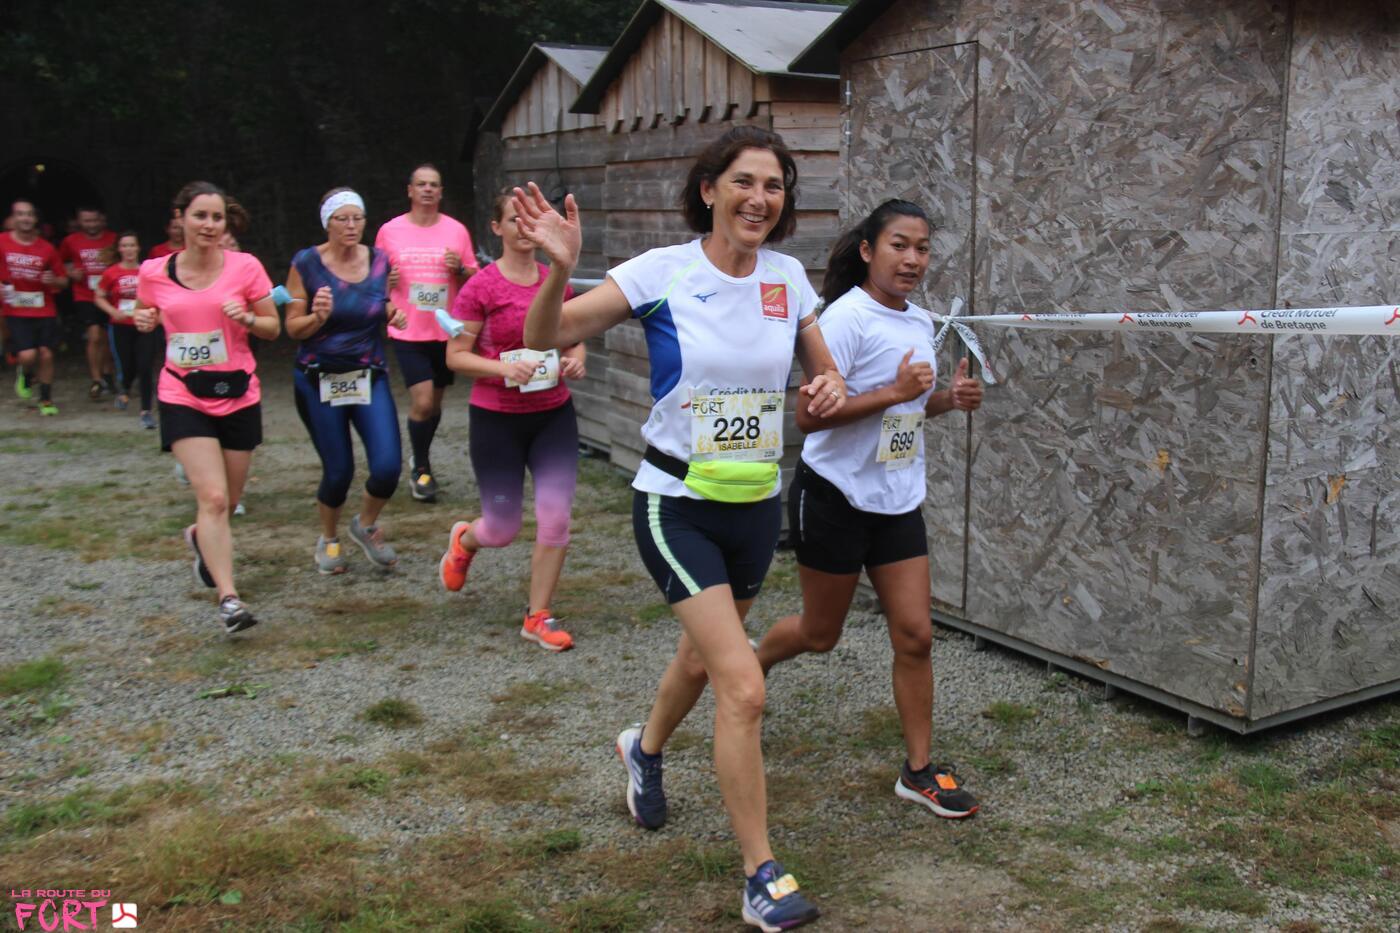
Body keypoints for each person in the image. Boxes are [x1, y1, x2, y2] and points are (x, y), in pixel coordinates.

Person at [516, 125, 849, 932]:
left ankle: (644, 747)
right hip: (675, 503)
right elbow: (544, 338)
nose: (759, 199)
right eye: (743, 182)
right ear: (709, 189)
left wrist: (831, 387)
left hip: (755, 506)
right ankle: (761, 874)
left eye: (773, 186)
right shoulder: (661, 271)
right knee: (744, 684)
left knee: (701, 660)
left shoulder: (787, 278)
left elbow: (824, 371)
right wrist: (558, 269)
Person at [754, 199, 985, 822]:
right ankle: (749, 668)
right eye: (898, 246)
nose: (912, 260)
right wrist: (893, 392)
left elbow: (908, 407)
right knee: (819, 634)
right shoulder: (844, 319)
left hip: (897, 498)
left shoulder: (920, 321)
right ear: (867, 251)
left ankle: (918, 771)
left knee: (915, 634)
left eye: (922, 248)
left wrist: (947, 400)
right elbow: (808, 416)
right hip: (834, 495)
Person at [438, 191, 586, 651]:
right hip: (496, 420)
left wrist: (576, 359)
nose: (523, 229)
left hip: (552, 417)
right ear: (496, 228)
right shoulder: (480, 287)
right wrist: (503, 368)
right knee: (501, 528)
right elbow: (456, 356)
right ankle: (467, 540)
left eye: (529, 221)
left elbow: (574, 337)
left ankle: (538, 615)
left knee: (555, 516)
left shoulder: (555, 280)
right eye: (512, 220)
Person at [132, 181, 280, 634]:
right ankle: (229, 600)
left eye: (217, 217)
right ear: (180, 219)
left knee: (229, 501)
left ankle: (200, 537)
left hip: (237, 393)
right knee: (213, 499)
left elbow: (273, 327)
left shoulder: (246, 267)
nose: (209, 225)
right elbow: (144, 312)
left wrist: (248, 319)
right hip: (183, 394)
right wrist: (143, 319)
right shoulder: (153, 271)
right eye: (200, 215)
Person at [285, 188, 406, 574]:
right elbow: (293, 328)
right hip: (318, 377)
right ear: (328, 223)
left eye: (358, 218)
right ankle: (329, 538)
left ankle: (365, 525)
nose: (352, 226)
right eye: (343, 219)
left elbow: (374, 303)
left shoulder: (379, 260)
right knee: (339, 471)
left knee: (387, 466)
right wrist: (317, 318)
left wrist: (392, 313)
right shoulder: (306, 263)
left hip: (367, 375)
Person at [374, 163, 479, 502]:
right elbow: (372, 276)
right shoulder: (390, 231)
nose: (428, 190)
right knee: (421, 402)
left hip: (445, 330)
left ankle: (420, 456)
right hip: (407, 328)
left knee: (434, 405)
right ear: (410, 190)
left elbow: (474, 277)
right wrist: (384, 283)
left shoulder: (456, 231)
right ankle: (421, 468)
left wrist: (459, 268)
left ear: (441, 192)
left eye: (434, 184)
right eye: (421, 184)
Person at [0, 200, 68, 414]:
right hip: (15, 308)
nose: (25, 218)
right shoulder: (2, 242)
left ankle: (46, 400)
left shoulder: (47, 248)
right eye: (21, 214)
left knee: (46, 353)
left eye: (29, 214)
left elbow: (63, 280)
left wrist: (53, 280)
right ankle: (26, 373)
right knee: (28, 355)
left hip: (43, 308)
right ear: (13, 218)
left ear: (35, 219)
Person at [95, 231, 158, 428]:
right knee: (127, 365)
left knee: (145, 366)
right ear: (119, 249)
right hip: (121, 327)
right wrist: (113, 311)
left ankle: (146, 411)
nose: (129, 249)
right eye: (125, 246)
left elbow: (159, 295)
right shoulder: (111, 272)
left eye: (132, 245)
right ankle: (125, 388)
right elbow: (99, 296)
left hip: (145, 325)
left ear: (138, 248)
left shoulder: (148, 271)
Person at [59, 207, 119, 399]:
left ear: (102, 220)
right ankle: (96, 379)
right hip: (85, 295)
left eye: (95, 220)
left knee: (107, 338)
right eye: (87, 221)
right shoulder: (70, 241)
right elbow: (59, 263)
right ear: (79, 222)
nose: (91, 225)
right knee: (94, 335)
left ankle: (107, 373)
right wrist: (70, 272)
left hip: (110, 296)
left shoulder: (113, 239)